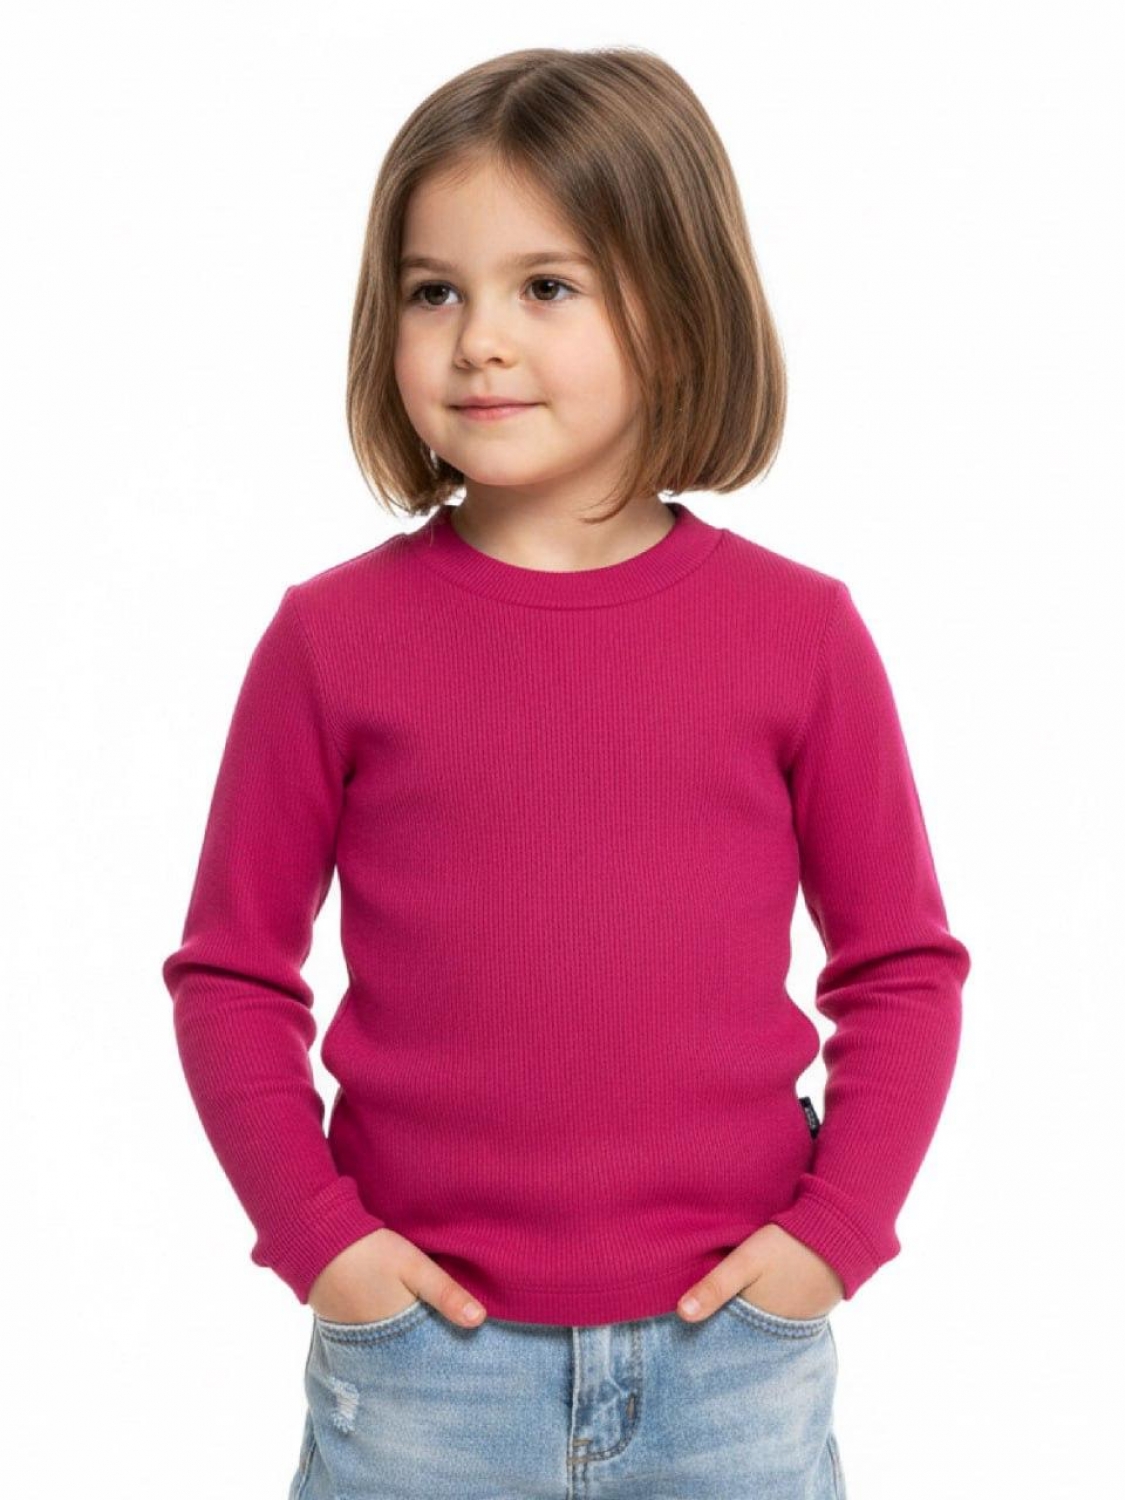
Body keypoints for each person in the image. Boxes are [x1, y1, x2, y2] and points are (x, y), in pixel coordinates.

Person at [161, 44, 970, 1500]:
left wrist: (831, 1239)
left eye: (546, 286)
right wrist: (326, 1247)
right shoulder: (329, 641)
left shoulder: (800, 634)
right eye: (433, 291)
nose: (478, 340)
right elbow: (231, 975)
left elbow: (901, 967)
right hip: (422, 1368)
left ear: (679, 304)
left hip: (730, 1359)